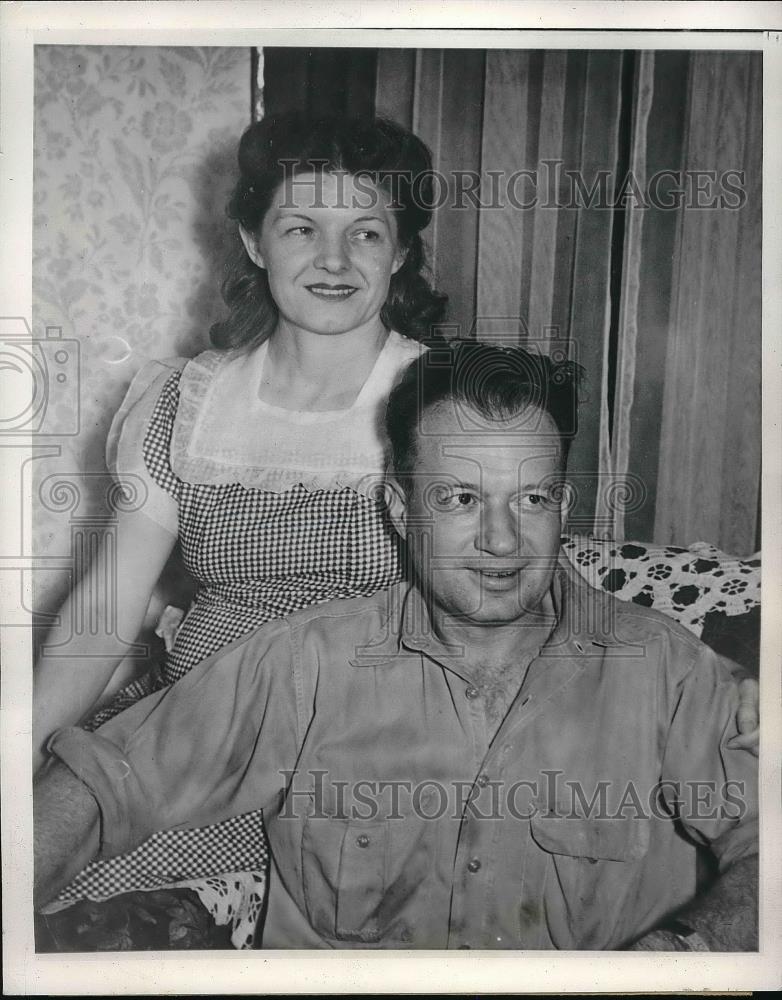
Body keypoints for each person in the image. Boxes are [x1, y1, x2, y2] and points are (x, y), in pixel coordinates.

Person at [35, 341, 758, 950]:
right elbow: (102, 788)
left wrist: (680, 956)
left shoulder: (666, 673)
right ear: (400, 510)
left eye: (531, 499)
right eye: (460, 499)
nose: (502, 540)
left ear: (563, 508)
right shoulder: (305, 665)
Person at [32, 113, 447, 948]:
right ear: (254, 242)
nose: (334, 261)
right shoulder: (186, 402)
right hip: (184, 719)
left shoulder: (447, 401)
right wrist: (16, 749)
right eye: (302, 228)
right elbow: (102, 618)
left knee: (94, 901)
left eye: (365, 232)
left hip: (363, 739)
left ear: (399, 254)